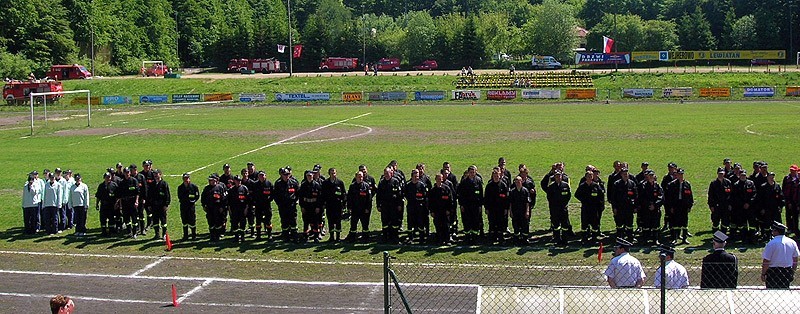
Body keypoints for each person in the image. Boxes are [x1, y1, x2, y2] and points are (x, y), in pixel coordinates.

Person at [761, 221, 799, 289]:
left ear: (776, 231)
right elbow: (795, 260)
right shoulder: (792, 242)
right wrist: (792, 272)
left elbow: (766, 261)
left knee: (771, 292)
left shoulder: (771, 243)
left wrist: (763, 274)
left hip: (773, 272)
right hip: (787, 271)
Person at [575, 170, 605, 244]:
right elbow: (576, 195)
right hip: (585, 208)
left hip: (594, 208)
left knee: (595, 224)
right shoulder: (582, 186)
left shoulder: (596, 186)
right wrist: (583, 200)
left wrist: (600, 205)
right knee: (584, 224)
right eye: (588, 176)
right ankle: (584, 238)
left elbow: (601, 196)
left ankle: (594, 238)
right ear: (585, 177)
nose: (589, 178)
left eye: (591, 176)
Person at [665, 168, 693, 245]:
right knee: (675, 222)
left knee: (684, 222)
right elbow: (669, 197)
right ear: (676, 175)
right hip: (676, 205)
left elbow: (690, 196)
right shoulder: (672, 185)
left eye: (682, 174)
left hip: (684, 205)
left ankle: (684, 238)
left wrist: (690, 206)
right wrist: (671, 207)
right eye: (679, 174)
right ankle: (675, 238)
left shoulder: (687, 184)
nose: (680, 176)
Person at [457, 165, 484, 244]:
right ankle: (467, 238)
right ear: (468, 173)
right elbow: (461, 195)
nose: (472, 174)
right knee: (467, 221)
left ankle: (475, 238)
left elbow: (481, 194)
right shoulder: (464, 182)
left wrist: (480, 205)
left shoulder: (478, 181)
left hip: (475, 206)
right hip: (467, 206)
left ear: (476, 172)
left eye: (473, 172)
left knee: (475, 222)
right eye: (470, 172)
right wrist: (461, 205)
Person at [377, 167, 404, 244]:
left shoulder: (395, 182)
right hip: (385, 207)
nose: (386, 175)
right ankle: (385, 237)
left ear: (391, 173)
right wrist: (378, 205)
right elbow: (378, 195)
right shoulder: (381, 183)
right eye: (385, 173)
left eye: (387, 173)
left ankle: (394, 237)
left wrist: (399, 205)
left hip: (394, 206)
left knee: (394, 222)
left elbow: (399, 194)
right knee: (385, 222)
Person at [610, 167, 637, 241]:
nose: (625, 175)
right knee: (619, 225)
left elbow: (635, 196)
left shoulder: (632, 183)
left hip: (629, 208)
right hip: (620, 208)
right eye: (624, 174)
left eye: (626, 173)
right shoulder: (617, 184)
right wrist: (614, 208)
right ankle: (619, 238)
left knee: (629, 224)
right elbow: (613, 197)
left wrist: (635, 207)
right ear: (621, 175)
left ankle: (630, 238)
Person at [484, 167, 511, 243]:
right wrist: (486, 208)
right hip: (492, 209)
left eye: (497, 175)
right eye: (494, 175)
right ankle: (492, 238)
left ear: (500, 175)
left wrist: (506, 208)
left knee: (501, 223)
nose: (496, 177)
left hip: (501, 209)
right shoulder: (489, 186)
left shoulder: (503, 185)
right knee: (492, 223)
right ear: (492, 176)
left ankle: (501, 237)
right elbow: (486, 198)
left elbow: (506, 198)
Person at [545, 171, 571, 245]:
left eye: (559, 176)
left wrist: (565, 204)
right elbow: (549, 197)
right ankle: (557, 239)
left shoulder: (565, 185)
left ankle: (565, 239)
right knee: (556, 225)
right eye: (556, 176)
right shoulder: (551, 186)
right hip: (555, 209)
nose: (558, 177)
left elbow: (568, 196)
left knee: (564, 225)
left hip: (563, 208)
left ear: (561, 177)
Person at [756, 172, 784, 242]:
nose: (772, 178)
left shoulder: (777, 186)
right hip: (767, 209)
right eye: (770, 176)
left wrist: (781, 206)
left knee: (776, 223)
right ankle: (767, 236)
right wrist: (761, 208)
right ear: (767, 177)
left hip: (775, 209)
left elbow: (781, 197)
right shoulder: (763, 187)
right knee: (767, 223)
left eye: (773, 177)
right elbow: (760, 199)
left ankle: (777, 236)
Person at [274, 167, 300, 242]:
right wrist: (279, 204)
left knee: (293, 220)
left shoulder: (293, 183)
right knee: (284, 221)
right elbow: (275, 195)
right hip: (283, 206)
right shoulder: (278, 184)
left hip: (292, 205)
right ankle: (286, 236)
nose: (286, 176)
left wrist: (295, 201)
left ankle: (294, 235)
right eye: (285, 174)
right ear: (281, 175)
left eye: (287, 174)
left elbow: (298, 193)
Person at [731, 170, 757, 243]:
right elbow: (735, 197)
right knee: (742, 224)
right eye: (741, 175)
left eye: (744, 175)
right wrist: (743, 204)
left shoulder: (750, 183)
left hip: (750, 208)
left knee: (752, 224)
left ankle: (752, 238)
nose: (743, 177)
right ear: (739, 176)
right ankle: (744, 238)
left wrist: (748, 203)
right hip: (740, 208)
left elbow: (754, 194)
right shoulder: (736, 185)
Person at [346, 171, 373, 242]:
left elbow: (369, 199)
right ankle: (352, 238)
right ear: (355, 177)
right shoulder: (352, 186)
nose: (360, 178)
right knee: (353, 225)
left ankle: (365, 238)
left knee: (365, 225)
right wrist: (349, 207)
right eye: (359, 176)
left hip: (364, 210)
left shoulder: (366, 186)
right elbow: (349, 198)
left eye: (361, 176)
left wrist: (368, 208)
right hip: (355, 209)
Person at [322, 168, 347, 242]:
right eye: (331, 173)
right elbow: (323, 195)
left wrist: (344, 204)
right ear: (329, 174)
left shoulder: (340, 182)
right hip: (329, 205)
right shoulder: (325, 183)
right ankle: (332, 237)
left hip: (338, 205)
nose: (333, 175)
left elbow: (344, 194)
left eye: (334, 173)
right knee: (330, 221)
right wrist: (323, 204)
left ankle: (338, 237)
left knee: (338, 221)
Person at [404, 169, 429, 243]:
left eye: (417, 176)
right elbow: (405, 194)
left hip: (419, 207)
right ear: (411, 177)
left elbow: (425, 196)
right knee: (410, 223)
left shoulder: (421, 185)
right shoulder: (408, 185)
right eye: (415, 176)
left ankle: (421, 238)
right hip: (411, 206)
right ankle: (410, 238)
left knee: (420, 222)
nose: (416, 178)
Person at [429, 173, 454, 245]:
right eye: (438, 179)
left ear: (442, 179)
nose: (439, 180)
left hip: (445, 212)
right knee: (438, 226)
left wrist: (449, 210)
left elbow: (450, 200)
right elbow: (430, 202)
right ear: (435, 180)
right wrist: (432, 211)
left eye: (440, 179)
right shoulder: (433, 191)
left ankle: (447, 240)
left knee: (446, 226)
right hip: (437, 212)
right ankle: (440, 240)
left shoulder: (446, 189)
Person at [298, 170, 323, 242]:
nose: (309, 177)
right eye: (308, 176)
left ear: (313, 176)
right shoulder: (303, 185)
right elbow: (301, 197)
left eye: (311, 176)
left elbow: (320, 197)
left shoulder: (316, 185)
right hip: (306, 206)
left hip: (314, 206)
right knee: (306, 221)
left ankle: (316, 236)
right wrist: (302, 206)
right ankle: (305, 236)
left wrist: (318, 207)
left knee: (315, 222)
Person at [201, 174, 227, 242]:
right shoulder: (206, 188)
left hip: (218, 208)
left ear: (215, 180)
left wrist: (222, 207)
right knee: (211, 223)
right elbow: (203, 198)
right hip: (210, 209)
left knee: (218, 222)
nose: (210, 182)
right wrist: (203, 205)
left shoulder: (220, 188)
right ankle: (212, 236)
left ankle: (218, 236)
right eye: (209, 180)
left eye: (211, 180)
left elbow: (224, 199)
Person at [708, 167, 733, 234]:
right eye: (719, 173)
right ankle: (716, 236)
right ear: (717, 173)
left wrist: (730, 204)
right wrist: (711, 206)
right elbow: (710, 196)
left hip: (725, 206)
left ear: (724, 173)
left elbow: (731, 195)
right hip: (717, 206)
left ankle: (723, 237)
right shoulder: (713, 183)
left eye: (722, 173)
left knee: (725, 222)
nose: (721, 175)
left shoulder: (728, 182)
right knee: (715, 222)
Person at [117, 167, 140, 239]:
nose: (127, 174)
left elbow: (137, 192)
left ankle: (135, 232)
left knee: (134, 218)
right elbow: (119, 195)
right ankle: (129, 231)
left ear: (130, 173)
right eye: (125, 172)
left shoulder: (134, 181)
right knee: (126, 218)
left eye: (128, 172)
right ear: (123, 173)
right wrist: (120, 205)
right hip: (125, 203)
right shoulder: (121, 182)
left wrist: (136, 201)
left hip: (132, 202)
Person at [251, 171, 274, 240]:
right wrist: (254, 203)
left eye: (263, 175)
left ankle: (269, 235)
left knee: (268, 220)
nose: (261, 177)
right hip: (258, 206)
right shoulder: (255, 184)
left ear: (265, 176)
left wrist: (269, 200)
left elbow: (273, 193)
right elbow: (252, 195)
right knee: (258, 221)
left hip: (267, 205)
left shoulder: (269, 184)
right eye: (260, 176)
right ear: (258, 177)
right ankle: (258, 235)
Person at [509, 175, 531, 245]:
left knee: (525, 225)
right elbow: (510, 203)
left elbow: (527, 202)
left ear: (521, 182)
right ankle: (516, 239)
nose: (518, 183)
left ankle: (525, 239)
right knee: (516, 226)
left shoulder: (525, 191)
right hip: (515, 211)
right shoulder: (512, 192)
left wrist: (527, 211)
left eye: (519, 181)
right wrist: (511, 212)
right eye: (516, 181)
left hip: (523, 211)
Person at [177, 173, 200, 240]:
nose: (186, 180)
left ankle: (193, 235)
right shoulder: (180, 187)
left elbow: (197, 196)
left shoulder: (194, 187)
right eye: (185, 178)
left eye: (187, 178)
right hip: (183, 206)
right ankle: (185, 235)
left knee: (192, 221)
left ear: (189, 179)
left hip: (191, 206)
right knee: (184, 221)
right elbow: (179, 197)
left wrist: (193, 201)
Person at [783, 165, 799, 236]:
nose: (792, 172)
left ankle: (796, 229)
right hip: (788, 200)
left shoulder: (798, 179)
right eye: (791, 170)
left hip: (796, 201)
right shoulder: (786, 178)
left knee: (795, 216)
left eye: (794, 170)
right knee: (788, 215)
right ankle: (790, 228)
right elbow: (784, 190)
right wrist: (788, 201)